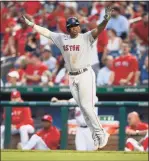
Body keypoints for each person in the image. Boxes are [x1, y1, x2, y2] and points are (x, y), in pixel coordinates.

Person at [22, 6, 113, 149]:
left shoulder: (85, 37)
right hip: (72, 76)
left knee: (87, 107)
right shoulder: (62, 39)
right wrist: (33, 25)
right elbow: (47, 32)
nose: (75, 28)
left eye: (76, 25)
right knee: (82, 108)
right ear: (68, 29)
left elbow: (98, 30)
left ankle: (101, 134)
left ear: (79, 26)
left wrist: (105, 20)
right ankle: (96, 134)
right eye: (72, 26)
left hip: (85, 74)